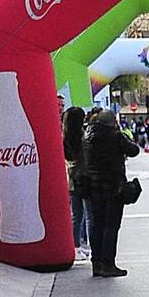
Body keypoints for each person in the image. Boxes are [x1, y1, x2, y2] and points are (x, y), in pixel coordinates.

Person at [78, 106, 137, 278]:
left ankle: (96, 263)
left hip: (92, 186)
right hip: (112, 186)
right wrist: (121, 134)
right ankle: (108, 263)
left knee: (96, 224)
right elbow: (133, 150)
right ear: (113, 122)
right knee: (111, 226)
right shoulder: (115, 136)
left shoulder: (86, 135)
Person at [61, 106, 90, 257]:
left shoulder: (64, 137)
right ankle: (82, 245)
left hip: (72, 178)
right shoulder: (83, 137)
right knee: (86, 214)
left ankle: (76, 246)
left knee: (76, 214)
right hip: (84, 177)